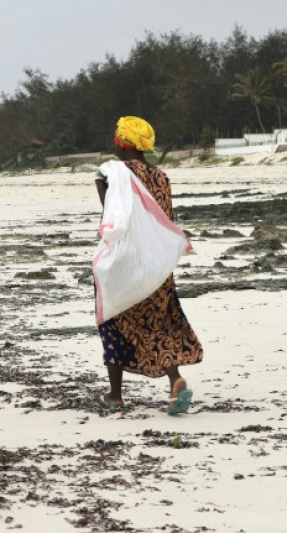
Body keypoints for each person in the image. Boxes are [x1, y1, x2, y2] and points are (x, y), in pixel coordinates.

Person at [94, 116, 203, 414]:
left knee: (113, 321)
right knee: (161, 324)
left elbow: (111, 217)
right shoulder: (161, 177)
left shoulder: (110, 172)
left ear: (121, 142)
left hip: (124, 264)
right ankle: (175, 379)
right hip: (156, 266)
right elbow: (164, 220)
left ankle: (115, 395)